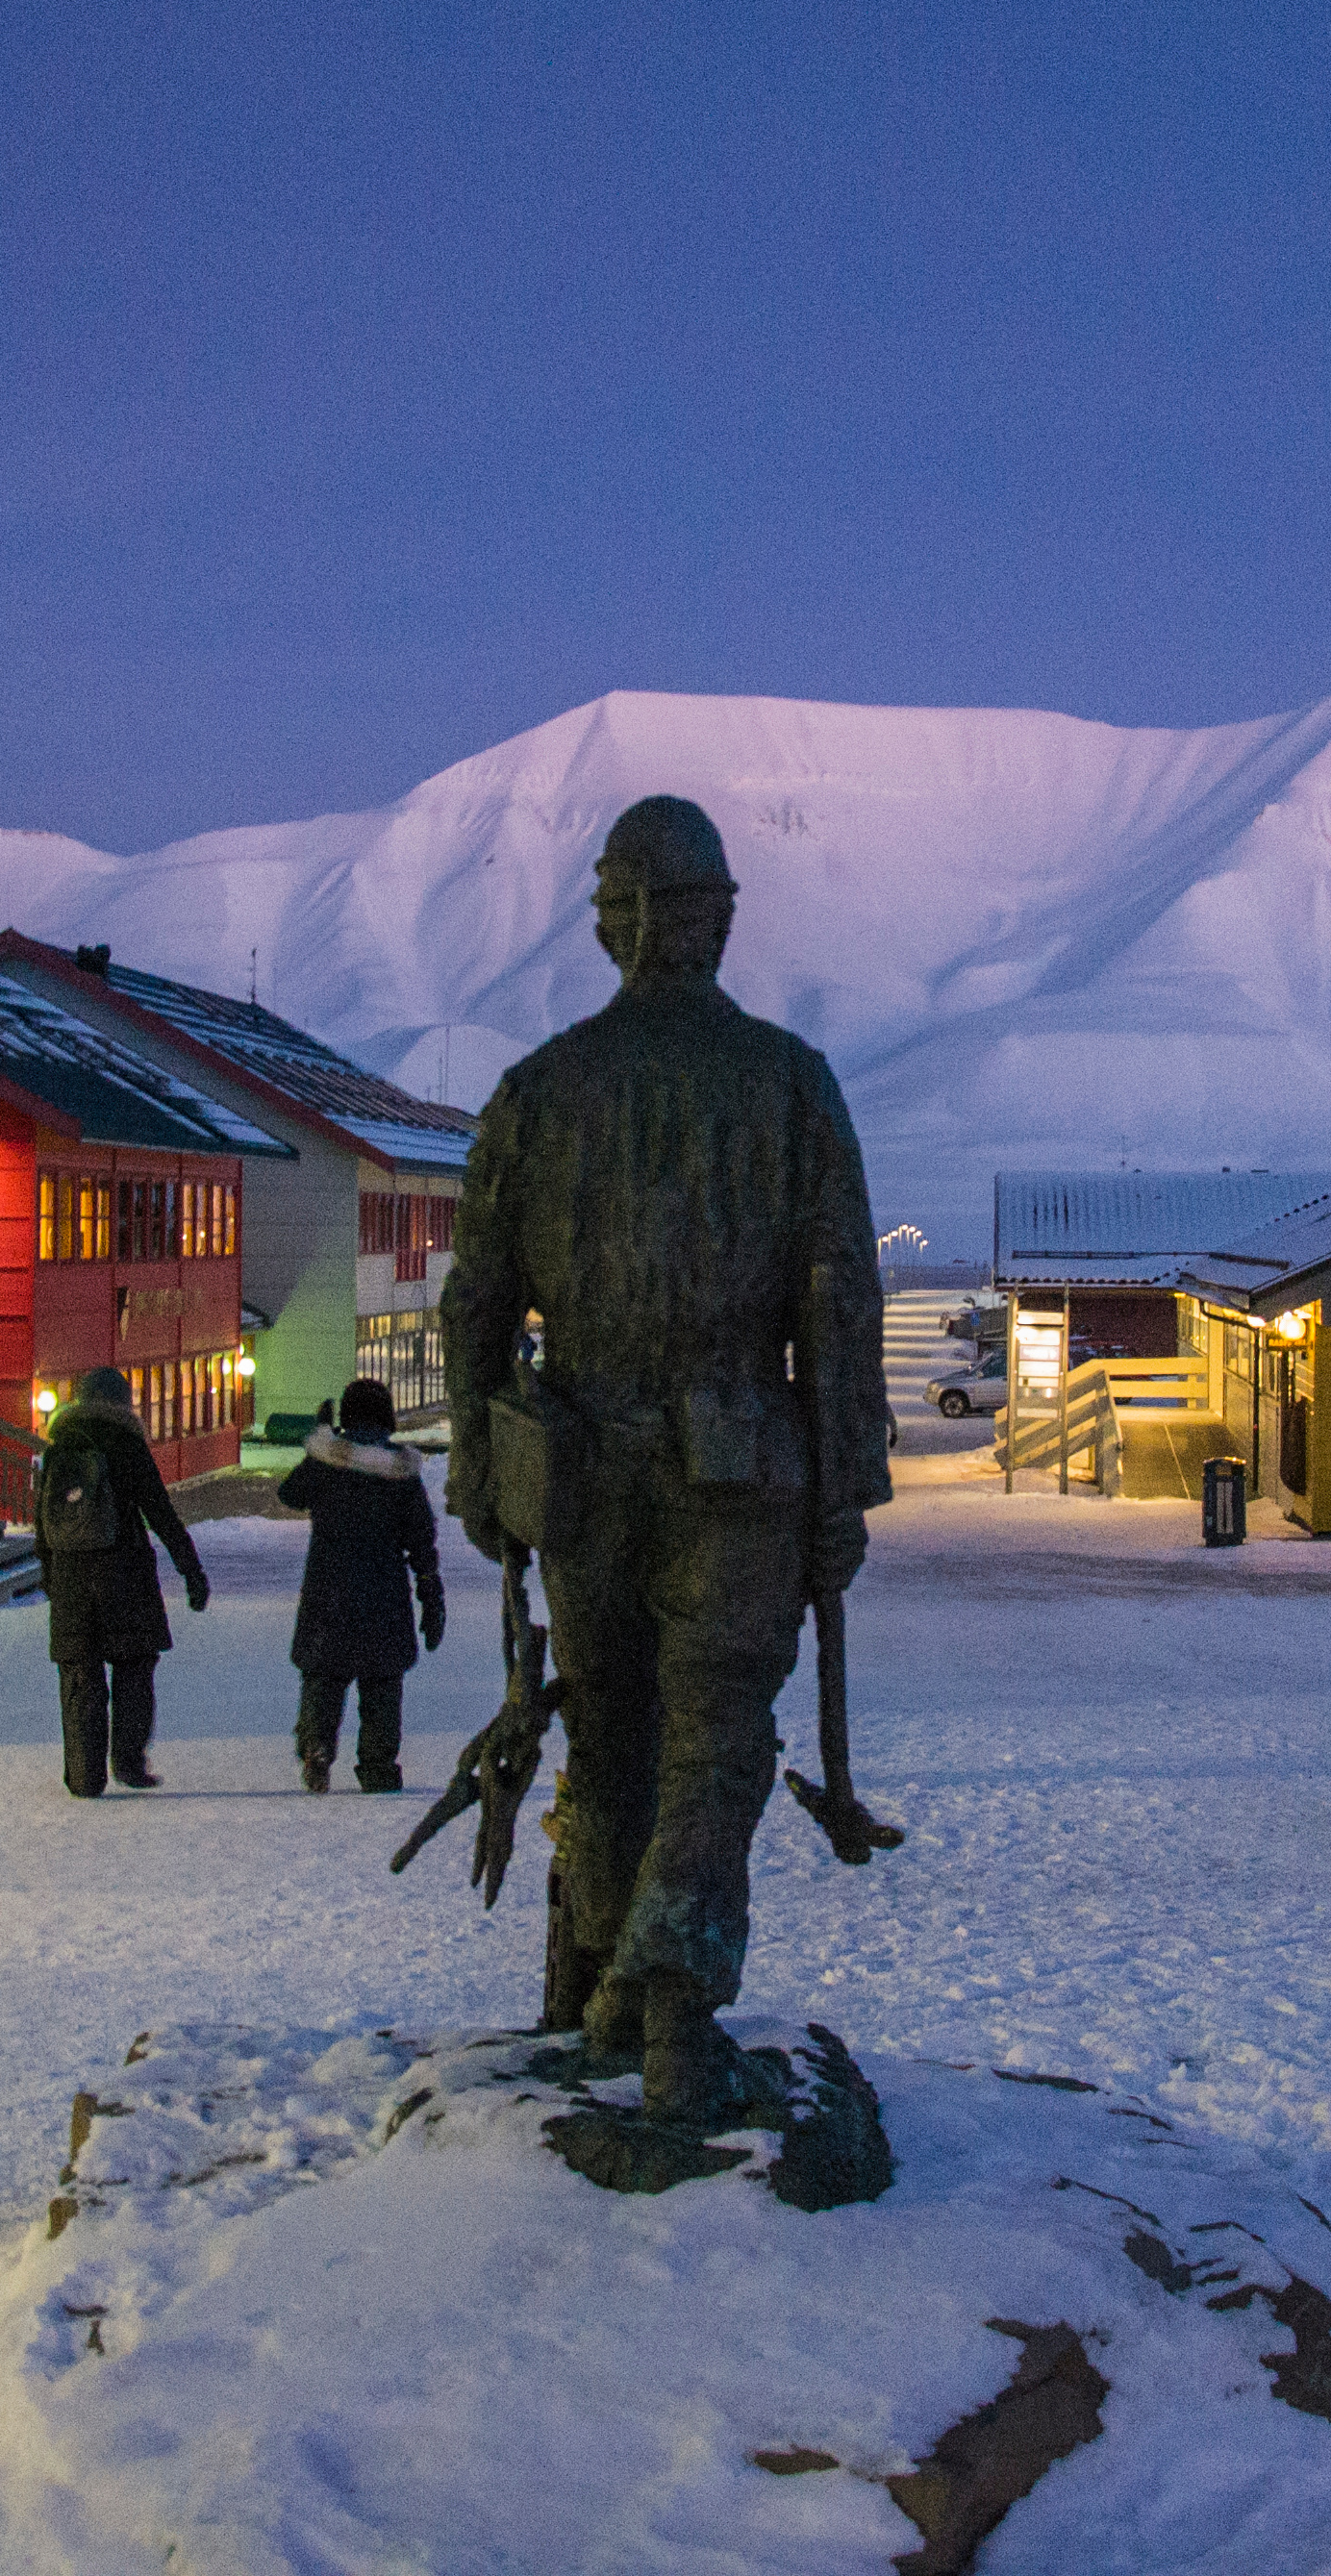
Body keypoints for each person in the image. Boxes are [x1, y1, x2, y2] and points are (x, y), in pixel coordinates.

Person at [440, 794, 889, 2128]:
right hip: (738, 1479)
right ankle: (671, 2009)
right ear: (719, 922)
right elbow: (839, 1305)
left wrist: (482, 1460)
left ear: (611, 930)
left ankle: (612, 2000)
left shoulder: (538, 1092)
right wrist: (845, 1488)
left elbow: (474, 1301)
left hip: (585, 1479)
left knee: (618, 1735)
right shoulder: (792, 1085)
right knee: (717, 1744)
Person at [35, 1364, 210, 1796]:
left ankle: (83, 1774)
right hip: (124, 1573)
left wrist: (51, 1577)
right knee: (133, 1665)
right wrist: (191, 1570)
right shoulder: (127, 1446)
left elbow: (44, 1523)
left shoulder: (58, 1450)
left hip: (72, 1576)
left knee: (79, 1674)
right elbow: (160, 1512)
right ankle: (129, 1762)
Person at [279, 1378, 446, 1792]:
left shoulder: (327, 1461)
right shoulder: (400, 1471)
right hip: (384, 1594)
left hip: (327, 1589)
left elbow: (290, 1494)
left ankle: (317, 1746)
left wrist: (317, 1442)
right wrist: (431, 1596)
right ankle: (378, 1766)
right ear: (387, 1417)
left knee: (323, 1673)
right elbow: (422, 1540)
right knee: (383, 1682)